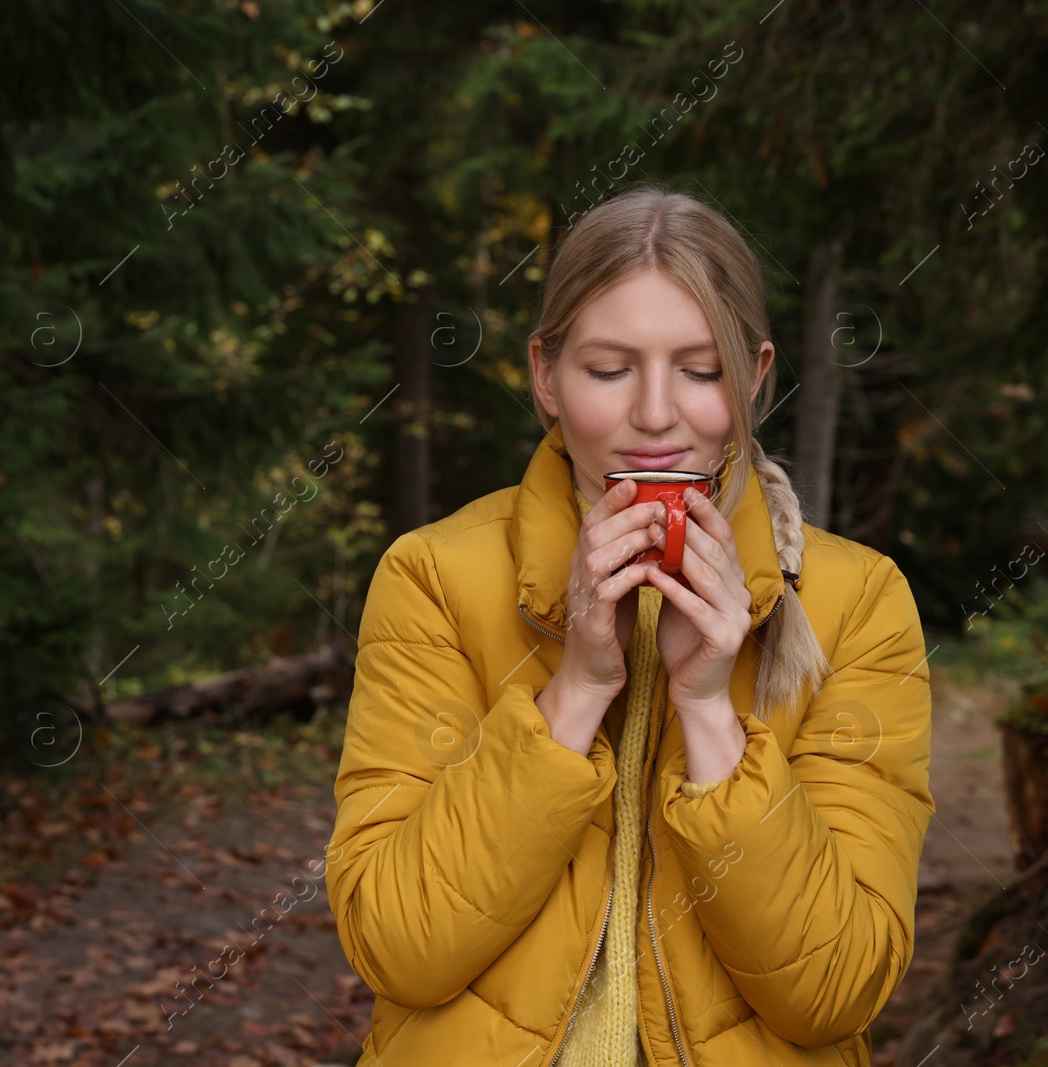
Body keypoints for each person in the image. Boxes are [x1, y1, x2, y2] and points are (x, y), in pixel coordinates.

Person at [324, 184, 935, 1067]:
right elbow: (398, 948)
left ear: (756, 375)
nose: (657, 414)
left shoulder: (861, 601)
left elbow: (832, 991)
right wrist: (575, 688)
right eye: (610, 370)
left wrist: (709, 711)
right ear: (545, 375)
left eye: (701, 369)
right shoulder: (433, 578)